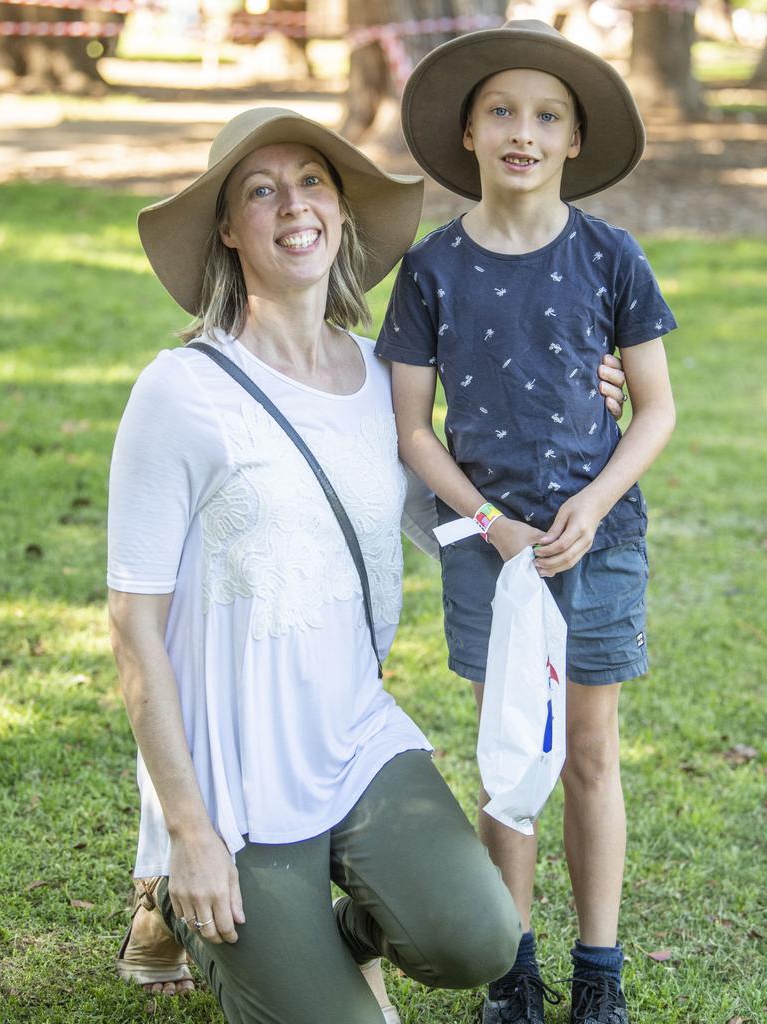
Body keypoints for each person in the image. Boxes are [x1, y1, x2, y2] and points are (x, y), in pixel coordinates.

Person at [108, 105, 528, 1024]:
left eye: (312, 183)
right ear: (227, 228)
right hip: (231, 777)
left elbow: (461, 508)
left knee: (481, 938)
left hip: (351, 737)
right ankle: (178, 900)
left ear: (339, 211)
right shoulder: (180, 392)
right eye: (260, 190)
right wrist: (188, 829)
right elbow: (133, 624)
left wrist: (588, 399)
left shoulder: (388, 382)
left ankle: (313, 931)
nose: (292, 205)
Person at [375, 21, 677, 1024]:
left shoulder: (611, 255)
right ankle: (512, 970)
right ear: (467, 131)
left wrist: (592, 503)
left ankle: (600, 970)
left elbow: (657, 407)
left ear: (574, 141)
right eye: (501, 110)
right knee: (510, 750)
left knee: (588, 750)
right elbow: (413, 430)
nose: (523, 132)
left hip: (600, 541)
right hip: (488, 549)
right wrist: (490, 521)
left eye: (548, 116)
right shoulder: (431, 270)